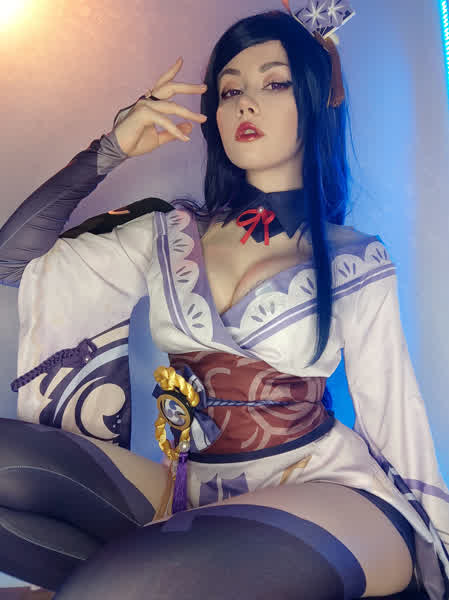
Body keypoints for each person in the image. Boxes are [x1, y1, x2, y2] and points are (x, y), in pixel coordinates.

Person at [0, 6, 448, 600]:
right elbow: (14, 259)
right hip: (192, 486)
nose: (245, 104)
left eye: (275, 83)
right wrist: (112, 148)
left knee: (114, 586)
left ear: (316, 100)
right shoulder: (168, 233)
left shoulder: (354, 257)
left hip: (330, 491)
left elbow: (395, 415)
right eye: (231, 90)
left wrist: (436, 547)